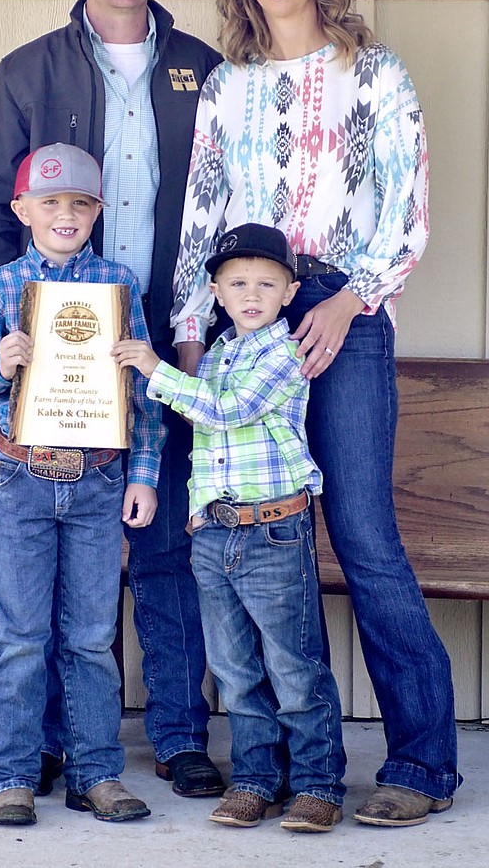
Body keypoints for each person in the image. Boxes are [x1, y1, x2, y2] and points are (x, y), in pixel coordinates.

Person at [171, 0, 459, 826]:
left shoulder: (374, 73)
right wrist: (188, 326)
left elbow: (407, 214)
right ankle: (279, 764)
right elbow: (202, 216)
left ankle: (421, 760)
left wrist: (345, 299)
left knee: (365, 535)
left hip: (342, 309)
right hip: (243, 321)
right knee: (246, 535)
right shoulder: (227, 84)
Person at [0, 0, 225, 799]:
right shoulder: (30, 68)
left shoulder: (202, 67)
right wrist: (20, 327)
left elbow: (228, 207)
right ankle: (46, 746)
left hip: (169, 333)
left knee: (162, 533)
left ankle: (180, 732)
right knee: (53, 589)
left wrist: (205, 329)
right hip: (62, 337)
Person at [0, 142, 165, 826]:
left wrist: (145, 474)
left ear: (99, 209)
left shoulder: (119, 285)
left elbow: (144, 396)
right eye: (50, 202)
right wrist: (0, 365)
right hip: (21, 473)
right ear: (23, 209)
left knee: (91, 632)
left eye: (80, 202)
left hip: (99, 479)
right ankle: (12, 772)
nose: (65, 214)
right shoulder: (1, 287)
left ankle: (96, 770)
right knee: (19, 631)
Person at [115, 222, 346, 833]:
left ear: (289, 292)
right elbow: (204, 447)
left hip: (273, 530)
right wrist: (196, 511)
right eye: (237, 282)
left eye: (266, 283)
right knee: (235, 667)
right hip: (216, 532)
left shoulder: (282, 353)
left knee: (292, 664)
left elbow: (229, 411)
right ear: (216, 291)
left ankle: (318, 782)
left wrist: (154, 369)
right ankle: (254, 777)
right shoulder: (216, 355)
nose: (251, 293)